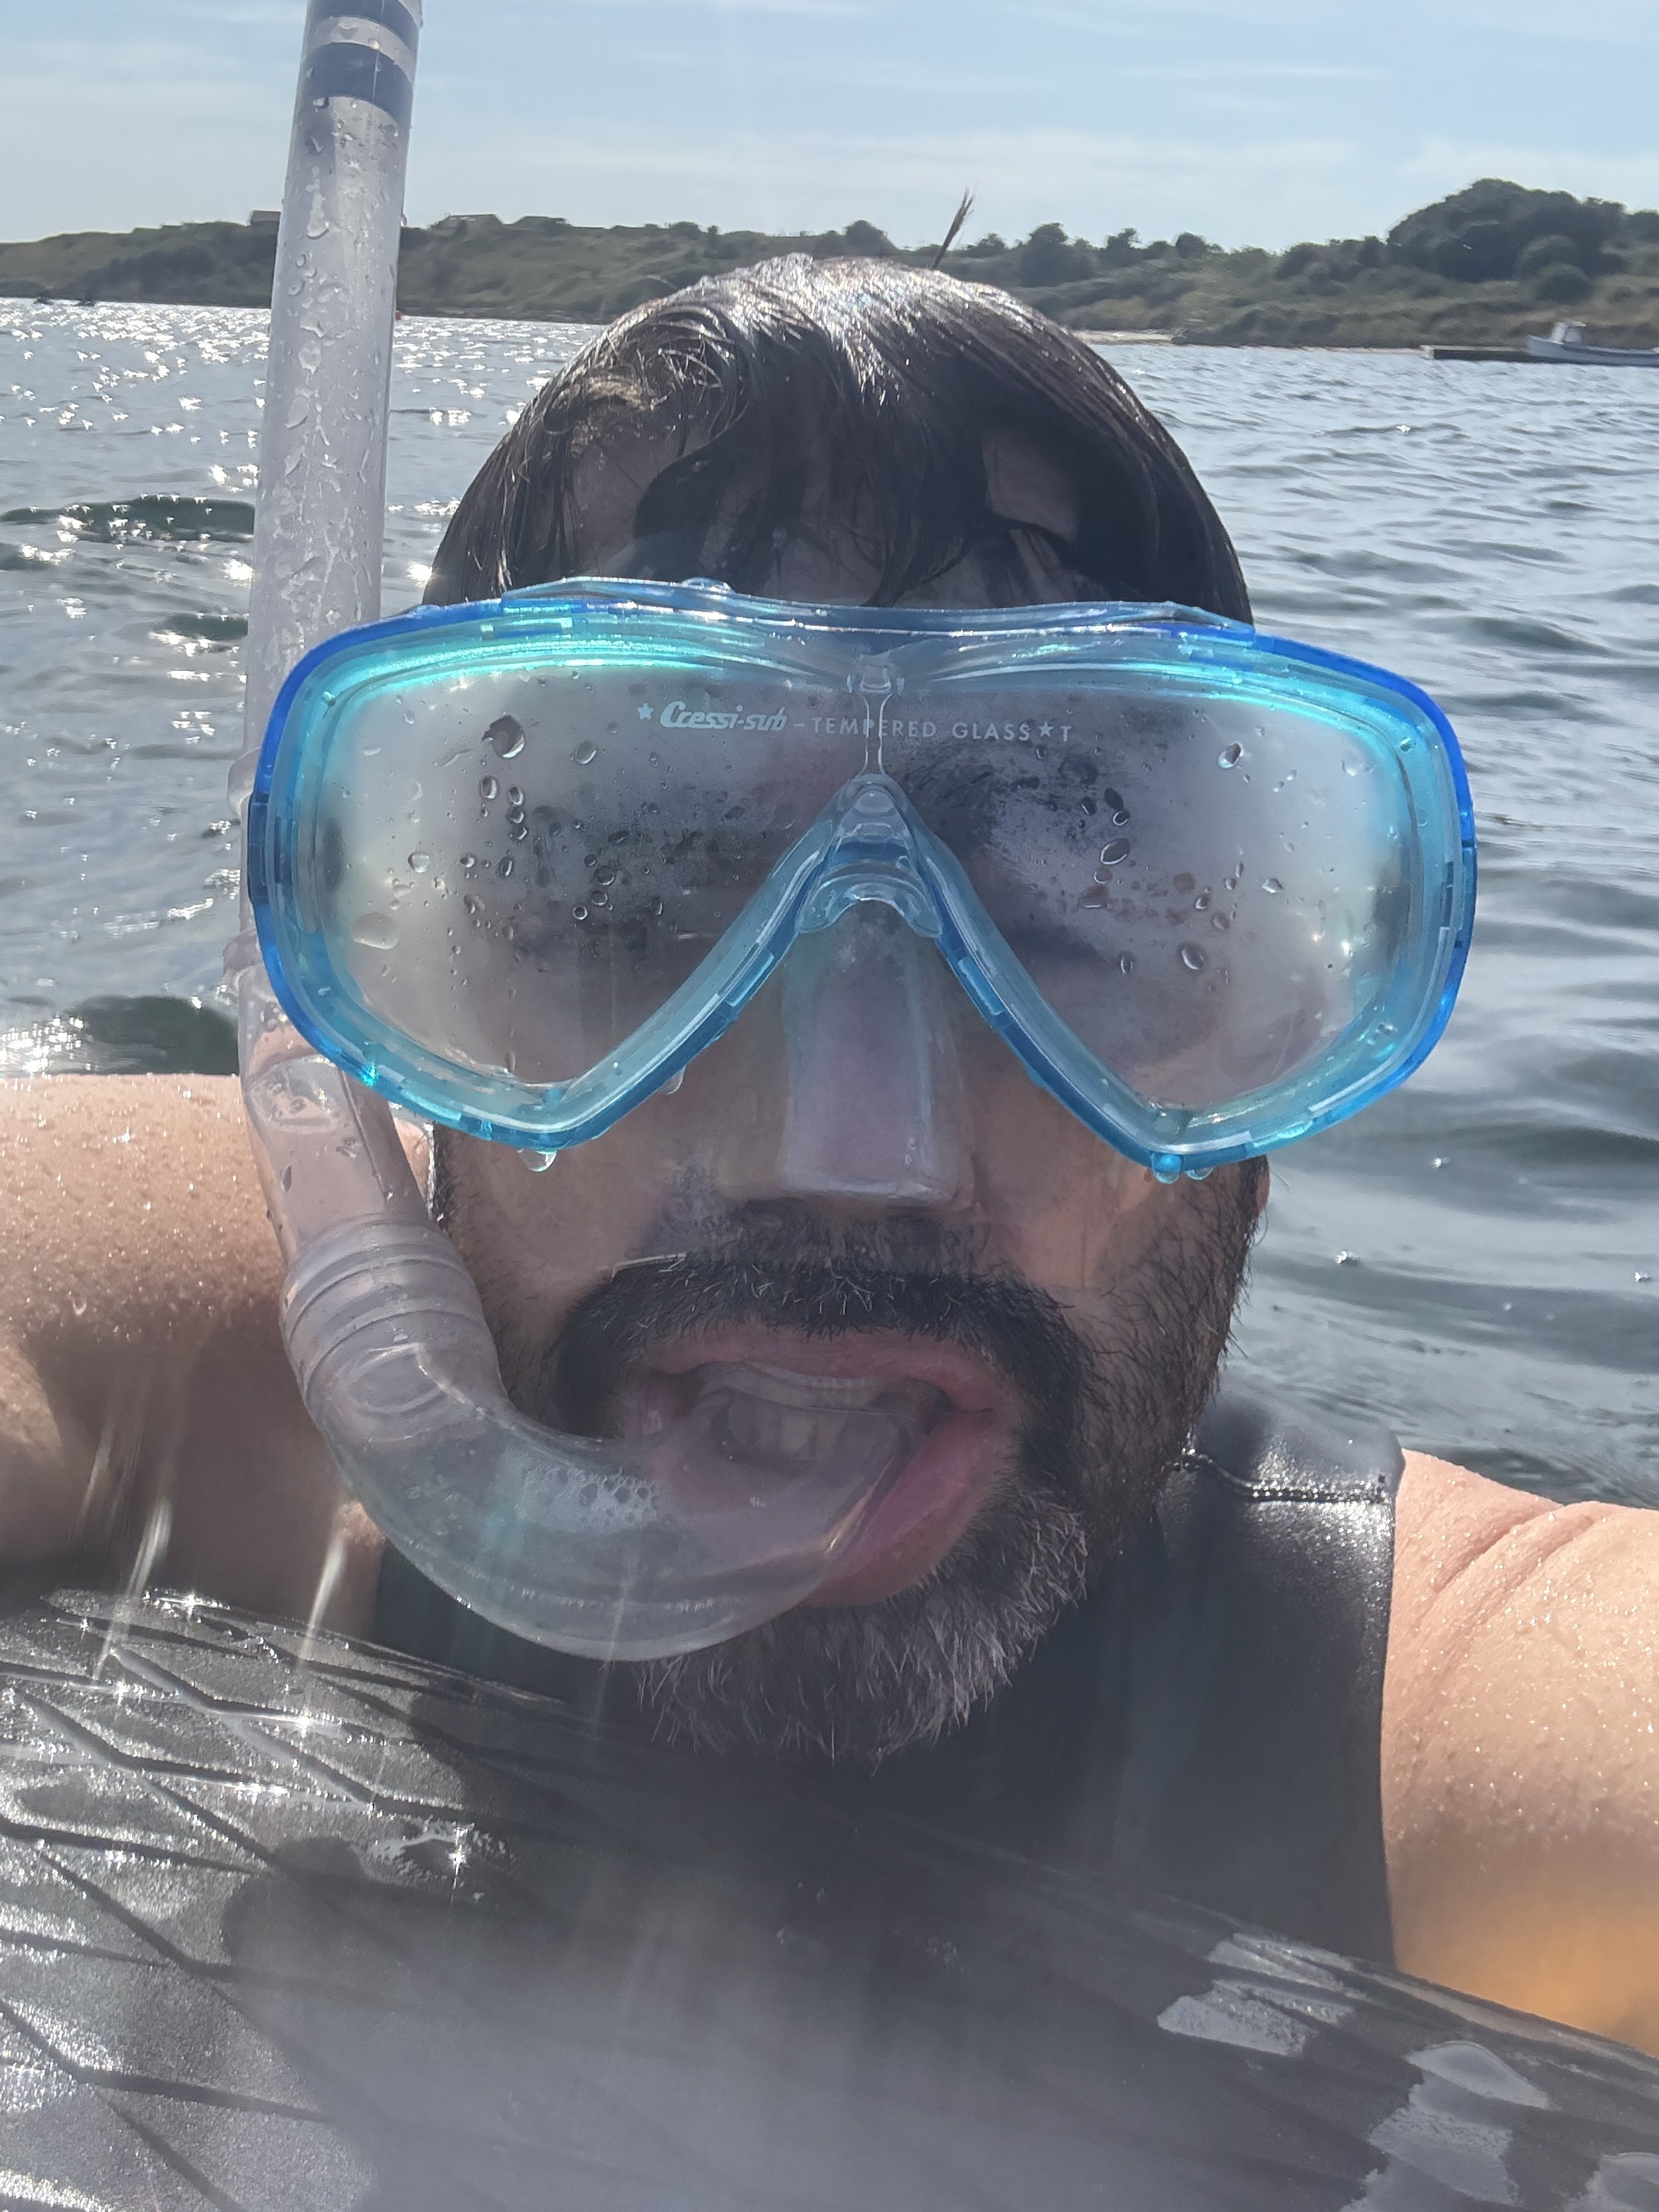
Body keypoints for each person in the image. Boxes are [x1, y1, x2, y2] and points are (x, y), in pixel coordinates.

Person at [1, 258, 1655, 2053]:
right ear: (398, 1036)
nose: (854, 1151)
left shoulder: (1454, 1690)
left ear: (1253, 1067)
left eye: (1077, 919)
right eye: (626, 898)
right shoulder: (217, 1364)